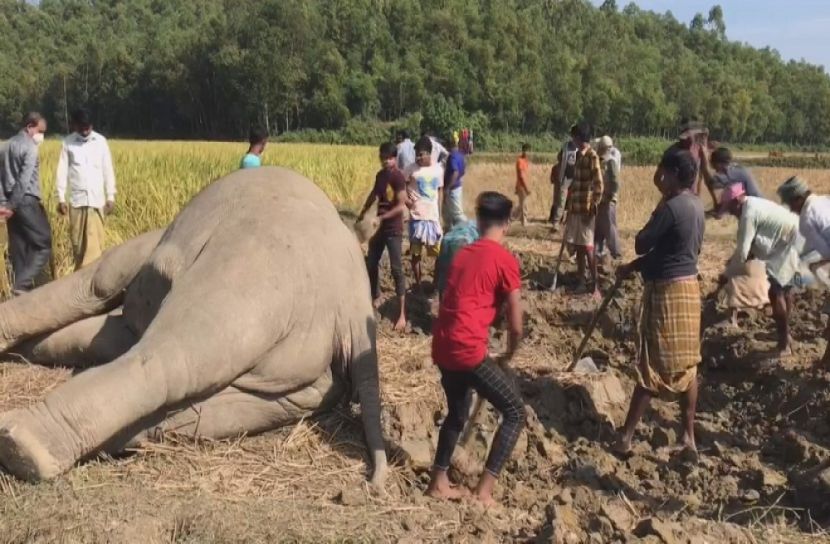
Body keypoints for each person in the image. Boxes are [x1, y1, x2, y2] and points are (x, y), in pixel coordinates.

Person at [427, 191, 524, 507]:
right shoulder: (504, 259)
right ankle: (484, 492)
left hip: (442, 345)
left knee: (456, 413)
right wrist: (510, 352)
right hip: (469, 350)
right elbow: (516, 322)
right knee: (514, 411)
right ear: (506, 223)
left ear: (479, 220)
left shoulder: (463, 254)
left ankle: (438, 482)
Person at [615, 150, 705, 456]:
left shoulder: (671, 207)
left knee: (651, 364)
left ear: (675, 174)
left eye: (663, 173)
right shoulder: (695, 205)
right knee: (688, 363)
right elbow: (671, 252)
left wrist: (658, 207)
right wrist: (633, 267)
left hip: (667, 294)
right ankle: (687, 435)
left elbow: (643, 242)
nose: (660, 178)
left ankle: (625, 437)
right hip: (689, 290)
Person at [720, 183, 802, 356]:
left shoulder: (748, 214)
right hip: (796, 238)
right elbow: (752, 248)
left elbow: (742, 253)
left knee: (776, 293)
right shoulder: (754, 203)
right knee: (786, 291)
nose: (731, 213)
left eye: (730, 208)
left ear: (736, 201)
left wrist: (727, 274)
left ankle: (783, 344)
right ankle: (787, 337)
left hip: (787, 244)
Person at [777, 176, 830, 363]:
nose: (791, 209)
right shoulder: (824, 200)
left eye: (791, 204)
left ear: (798, 198)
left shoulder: (806, 219)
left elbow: (827, 251)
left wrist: (814, 266)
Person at [56, 108, 117, 270]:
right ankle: (79, 281)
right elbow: (61, 172)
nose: (85, 130)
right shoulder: (67, 143)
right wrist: (61, 198)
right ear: (74, 125)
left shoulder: (101, 142)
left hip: (97, 202)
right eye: (82, 126)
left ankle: (91, 281)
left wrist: (110, 196)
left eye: (88, 126)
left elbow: (107, 170)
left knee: (95, 247)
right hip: (77, 203)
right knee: (78, 246)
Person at [357, 142, 408, 331]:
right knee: (371, 262)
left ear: (395, 158)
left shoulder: (398, 177)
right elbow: (375, 193)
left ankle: (402, 313)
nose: (386, 161)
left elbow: (400, 205)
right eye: (383, 158)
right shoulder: (380, 176)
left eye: (390, 158)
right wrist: (364, 210)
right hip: (379, 227)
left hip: (393, 228)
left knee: (396, 269)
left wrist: (381, 217)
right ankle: (376, 295)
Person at [0, 112, 52, 295]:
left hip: (10, 204)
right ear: (30, 127)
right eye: (40, 131)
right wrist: (12, 205)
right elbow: (23, 180)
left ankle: (20, 297)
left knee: (19, 249)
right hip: (26, 202)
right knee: (43, 243)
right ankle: (22, 284)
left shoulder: (6, 146)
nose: (41, 136)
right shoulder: (30, 148)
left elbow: (1, 177)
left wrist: (4, 205)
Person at [563, 122, 603, 298]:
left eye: (574, 137)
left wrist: (593, 206)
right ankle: (581, 280)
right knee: (579, 247)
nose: (573, 140)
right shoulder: (578, 156)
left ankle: (595, 286)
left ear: (579, 138)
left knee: (588, 248)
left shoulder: (592, 156)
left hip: (586, 210)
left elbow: (599, 185)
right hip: (576, 208)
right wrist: (568, 207)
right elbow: (574, 184)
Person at [406, 136, 444, 291]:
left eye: (421, 154)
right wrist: (406, 201)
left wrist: (439, 212)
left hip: (432, 218)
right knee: (415, 255)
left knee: (438, 255)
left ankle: (436, 284)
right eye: (417, 155)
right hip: (416, 218)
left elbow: (440, 190)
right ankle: (418, 284)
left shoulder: (438, 170)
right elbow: (401, 187)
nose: (418, 158)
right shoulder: (410, 169)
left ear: (429, 153)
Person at [654, 119, 707, 197]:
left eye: (689, 138)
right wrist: (668, 195)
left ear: (695, 136)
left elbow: (702, 175)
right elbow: (657, 178)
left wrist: (698, 195)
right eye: (684, 138)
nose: (686, 140)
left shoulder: (699, 150)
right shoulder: (671, 153)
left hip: (692, 198)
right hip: (674, 197)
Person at [435, 219, 479, 300]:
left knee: (444, 275)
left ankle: (442, 303)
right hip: (463, 242)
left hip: (446, 241)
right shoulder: (483, 229)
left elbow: (439, 263)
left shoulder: (464, 223)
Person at [594, 136, 621, 263]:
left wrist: (611, 195)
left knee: (609, 227)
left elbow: (615, 181)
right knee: (599, 227)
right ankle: (599, 252)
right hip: (601, 200)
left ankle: (616, 253)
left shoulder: (610, 161)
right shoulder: (601, 160)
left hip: (608, 200)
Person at [549, 125, 578, 228]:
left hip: (576, 178)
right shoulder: (566, 146)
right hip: (566, 177)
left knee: (573, 201)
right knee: (561, 200)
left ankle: (570, 222)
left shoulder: (581, 148)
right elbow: (560, 158)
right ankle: (556, 222)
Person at [443, 137, 467, 229]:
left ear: (448, 145)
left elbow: (455, 172)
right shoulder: (460, 155)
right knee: (449, 212)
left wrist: (448, 187)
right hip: (457, 186)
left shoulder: (452, 156)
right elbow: (463, 170)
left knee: (457, 214)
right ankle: (450, 231)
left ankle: (467, 229)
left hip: (453, 188)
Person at [514, 143, 531, 227]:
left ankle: (515, 218)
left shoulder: (525, 161)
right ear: (523, 151)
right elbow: (521, 175)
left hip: (523, 185)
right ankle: (524, 221)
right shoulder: (520, 161)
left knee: (522, 204)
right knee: (523, 205)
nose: (528, 153)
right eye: (526, 151)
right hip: (522, 186)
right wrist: (526, 187)